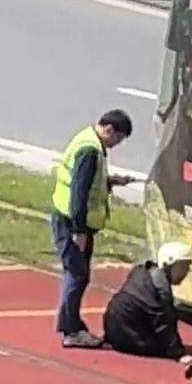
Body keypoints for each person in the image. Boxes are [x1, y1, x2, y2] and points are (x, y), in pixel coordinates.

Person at [50, 109, 133, 348]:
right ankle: (71, 329)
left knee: (77, 274)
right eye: (118, 138)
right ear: (109, 130)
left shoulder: (87, 140)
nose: (116, 144)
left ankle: (71, 325)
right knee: (77, 275)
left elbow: (88, 180)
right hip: (72, 222)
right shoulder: (90, 150)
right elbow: (79, 191)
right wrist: (80, 231)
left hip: (70, 218)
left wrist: (111, 181)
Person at [102, 241, 192, 358]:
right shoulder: (161, 290)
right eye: (184, 266)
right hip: (124, 336)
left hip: (111, 328)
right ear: (170, 263)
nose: (187, 271)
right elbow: (164, 325)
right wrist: (180, 354)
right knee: (162, 346)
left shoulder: (142, 270)